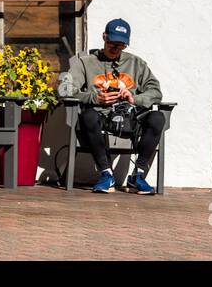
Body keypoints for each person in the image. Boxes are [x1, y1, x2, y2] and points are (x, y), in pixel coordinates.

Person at [61, 18, 165, 194]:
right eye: (111, 42)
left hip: (131, 117)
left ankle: (138, 175)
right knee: (88, 116)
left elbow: (155, 91)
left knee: (157, 117)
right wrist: (96, 98)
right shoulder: (85, 62)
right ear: (104, 37)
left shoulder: (136, 63)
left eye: (120, 45)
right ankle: (106, 174)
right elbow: (64, 90)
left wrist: (134, 98)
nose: (115, 48)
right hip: (100, 116)